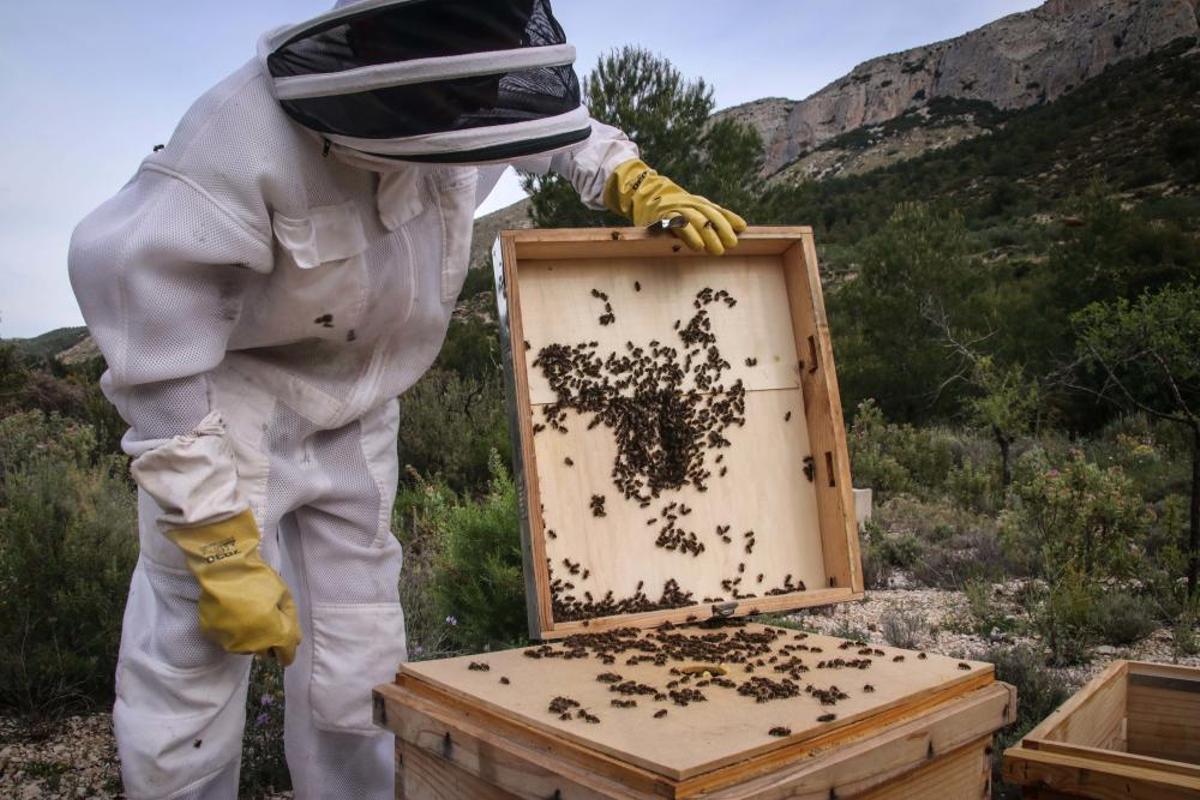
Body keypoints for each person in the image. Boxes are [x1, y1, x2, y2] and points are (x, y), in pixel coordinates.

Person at [68, 1, 745, 797]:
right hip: (228, 403)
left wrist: (630, 176)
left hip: (361, 405)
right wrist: (216, 543)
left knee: (358, 647)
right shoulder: (237, 140)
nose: (473, 115)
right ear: (379, 51)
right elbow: (151, 341)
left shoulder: (472, 93)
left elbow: (563, 132)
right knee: (197, 644)